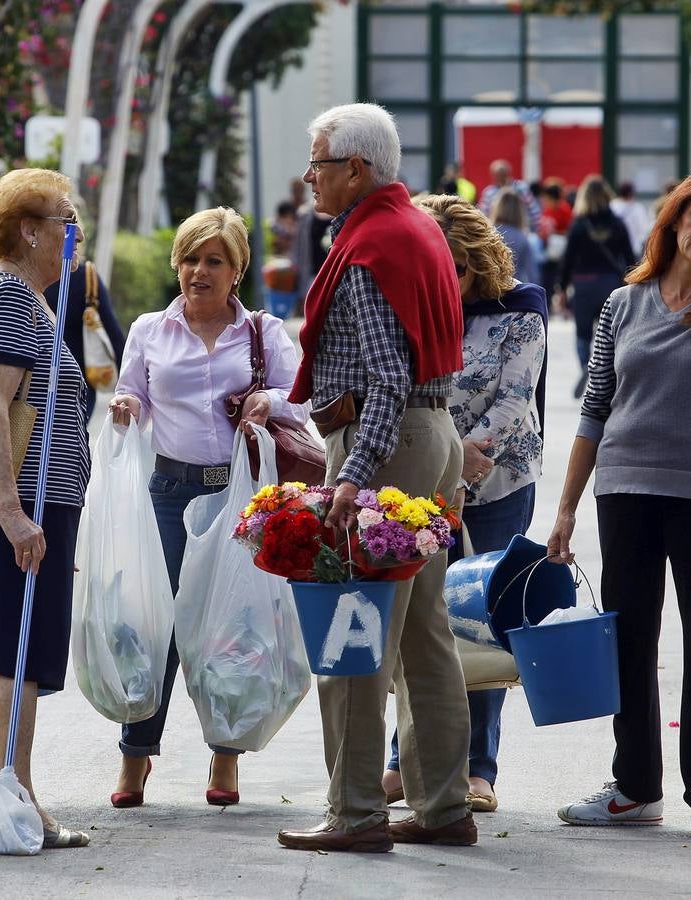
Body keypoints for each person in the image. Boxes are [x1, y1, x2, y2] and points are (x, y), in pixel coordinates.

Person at [274, 102, 475, 854]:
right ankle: (440, 804)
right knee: (423, 634)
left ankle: (355, 810)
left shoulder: (368, 248)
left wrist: (353, 478)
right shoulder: (411, 225)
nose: (310, 177)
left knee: (353, 632)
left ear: (354, 169)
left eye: (319, 164)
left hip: (382, 443)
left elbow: (385, 383)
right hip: (432, 436)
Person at [545, 170, 691, 840]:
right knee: (628, 640)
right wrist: (565, 510)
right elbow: (595, 406)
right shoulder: (623, 303)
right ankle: (635, 786)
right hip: (624, 486)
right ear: (671, 221)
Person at [108, 207, 307, 808]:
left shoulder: (264, 333)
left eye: (213, 260)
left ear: (237, 269)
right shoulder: (149, 329)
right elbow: (133, 393)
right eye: (190, 258)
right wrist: (123, 405)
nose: (199, 271)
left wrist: (267, 400)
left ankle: (226, 755)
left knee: (233, 626)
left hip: (240, 496)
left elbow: (302, 403)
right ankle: (136, 758)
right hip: (169, 493)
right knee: (158, 628)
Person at [380, 194, 547, 815]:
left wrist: (469, 455)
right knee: (421, 619)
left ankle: (479, 767)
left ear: (477, 265)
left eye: (453, 266)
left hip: (498, 481)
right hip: (426, 482)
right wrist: (442, 458)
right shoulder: (408, 310)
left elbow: (514, 398)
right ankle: (405, 760)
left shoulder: (519, 312)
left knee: (481, 618)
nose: (442, 277)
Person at [0, 168, 91, 849]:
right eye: (66, 219)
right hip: (19, 503)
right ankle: (20, 799)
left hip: (14, 503)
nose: (76, 231)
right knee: (16, 660)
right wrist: (13, 513)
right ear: (31, 231)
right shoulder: (9, 295)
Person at [557, 174, 636, 398]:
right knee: (610, 334)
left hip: (583, 285)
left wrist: (561, 288)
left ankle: (585, 366)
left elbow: (567, 259)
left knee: (583, 334)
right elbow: (630, 257)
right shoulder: (617, 224)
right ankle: (607, 373)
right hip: (610, 285)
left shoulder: (579, 225)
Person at [41, 257, 126, 417]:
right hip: (78, 383)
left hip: (35, 379)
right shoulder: (86, 277)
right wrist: (128, 386)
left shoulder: (31, 276)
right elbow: (113, 333)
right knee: (70, 439)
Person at [489, 188, 542, 286]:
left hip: (490, 289)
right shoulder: (522, 237)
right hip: (514, 289)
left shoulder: (489, 233)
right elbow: (532, 273)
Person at [478, 159, 541, 231]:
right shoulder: (489, 193)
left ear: (508, 173)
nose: (501, 178)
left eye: (503, 174)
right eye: (498, 175)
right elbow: (483, 214)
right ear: (493, 176)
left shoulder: (521, 188)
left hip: (521, 230)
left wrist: (536, 230)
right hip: (497, 232)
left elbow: (533, 210)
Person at [539, 178, 574, 293]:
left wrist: (555, 233)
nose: (545, 200)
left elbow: (569, 230)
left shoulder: (564, 210)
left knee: (556, 276)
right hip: (547, 249)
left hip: (559, 249)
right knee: (547, 279)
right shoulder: (547, 209)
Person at [610, 180, 654, 259]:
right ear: (631, 193)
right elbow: (644, 230)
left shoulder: (612, 206)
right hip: (633, 250)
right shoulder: (638, 208)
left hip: (614, 250)